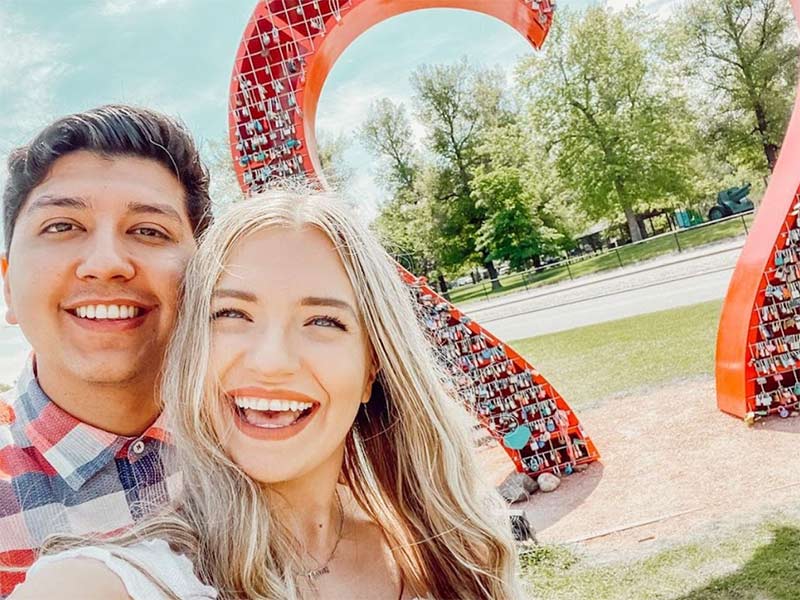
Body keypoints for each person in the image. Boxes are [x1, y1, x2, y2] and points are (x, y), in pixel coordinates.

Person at [11, 190, 524, 599]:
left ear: (373, 368)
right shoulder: (109, 583)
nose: (271, 361)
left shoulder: (458, 551)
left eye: (323, 321)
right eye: (232, 315)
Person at [0, 105, 212, 597]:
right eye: (62, 226)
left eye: (149, 231)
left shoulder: (278, 448)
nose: (106, 264)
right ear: (8, 286)